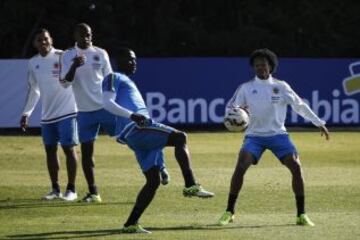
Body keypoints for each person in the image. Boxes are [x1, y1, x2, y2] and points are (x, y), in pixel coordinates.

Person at [102, 48, 215, 234]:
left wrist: (161, 166)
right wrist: (132, 115)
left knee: (153, 181)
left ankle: (131, 223)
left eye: (135, 59)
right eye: (129, 59)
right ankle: (190, 186)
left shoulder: (127, 81)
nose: (133, 62)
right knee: (180, 137)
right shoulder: (114, 77)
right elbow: (106, 102)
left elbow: (156, 139)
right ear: (118, 60)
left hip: (138, 135)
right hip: (137, 128)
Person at [217, 48, 330, 227]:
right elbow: (231, 109)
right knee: (241, 166)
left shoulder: (281, 86)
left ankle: (301, 214)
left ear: (271, 66)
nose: (260, 68)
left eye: (263, 64)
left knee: (296, 166)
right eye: (257, 65)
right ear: (253, 68)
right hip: (254, 136)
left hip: (278, 135)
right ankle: (229, 211)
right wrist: (237, 114)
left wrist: (318, 122)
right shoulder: (246, 88)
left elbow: (299, 105)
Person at [20, 28, 78, 201]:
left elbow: (73, 78)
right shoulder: (33, 63)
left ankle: (71, 190)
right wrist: (26, 113)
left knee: (69, 148)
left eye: (45, 39)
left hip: (67, 111)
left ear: (51, 39)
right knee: (50, 150)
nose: (43, 42)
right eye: (39, 40)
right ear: (35, 44)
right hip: (47, 115)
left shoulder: (62, 56)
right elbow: (34, 90)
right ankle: (55, 189)